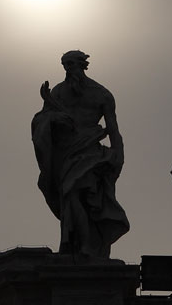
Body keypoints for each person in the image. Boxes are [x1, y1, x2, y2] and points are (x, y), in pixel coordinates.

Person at [31, 50, 129, 258]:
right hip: (66, 154)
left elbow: (113, 128)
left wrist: (118, 155)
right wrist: (53, 118)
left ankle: (86, 245)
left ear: (83, 65)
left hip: (91, 152)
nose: (67, 68)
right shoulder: (57, 92)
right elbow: (42, 118)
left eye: (71, 64)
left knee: (75, 193)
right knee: (69, 196)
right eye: (64, 64)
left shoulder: (101, 94)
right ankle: (80, 244)